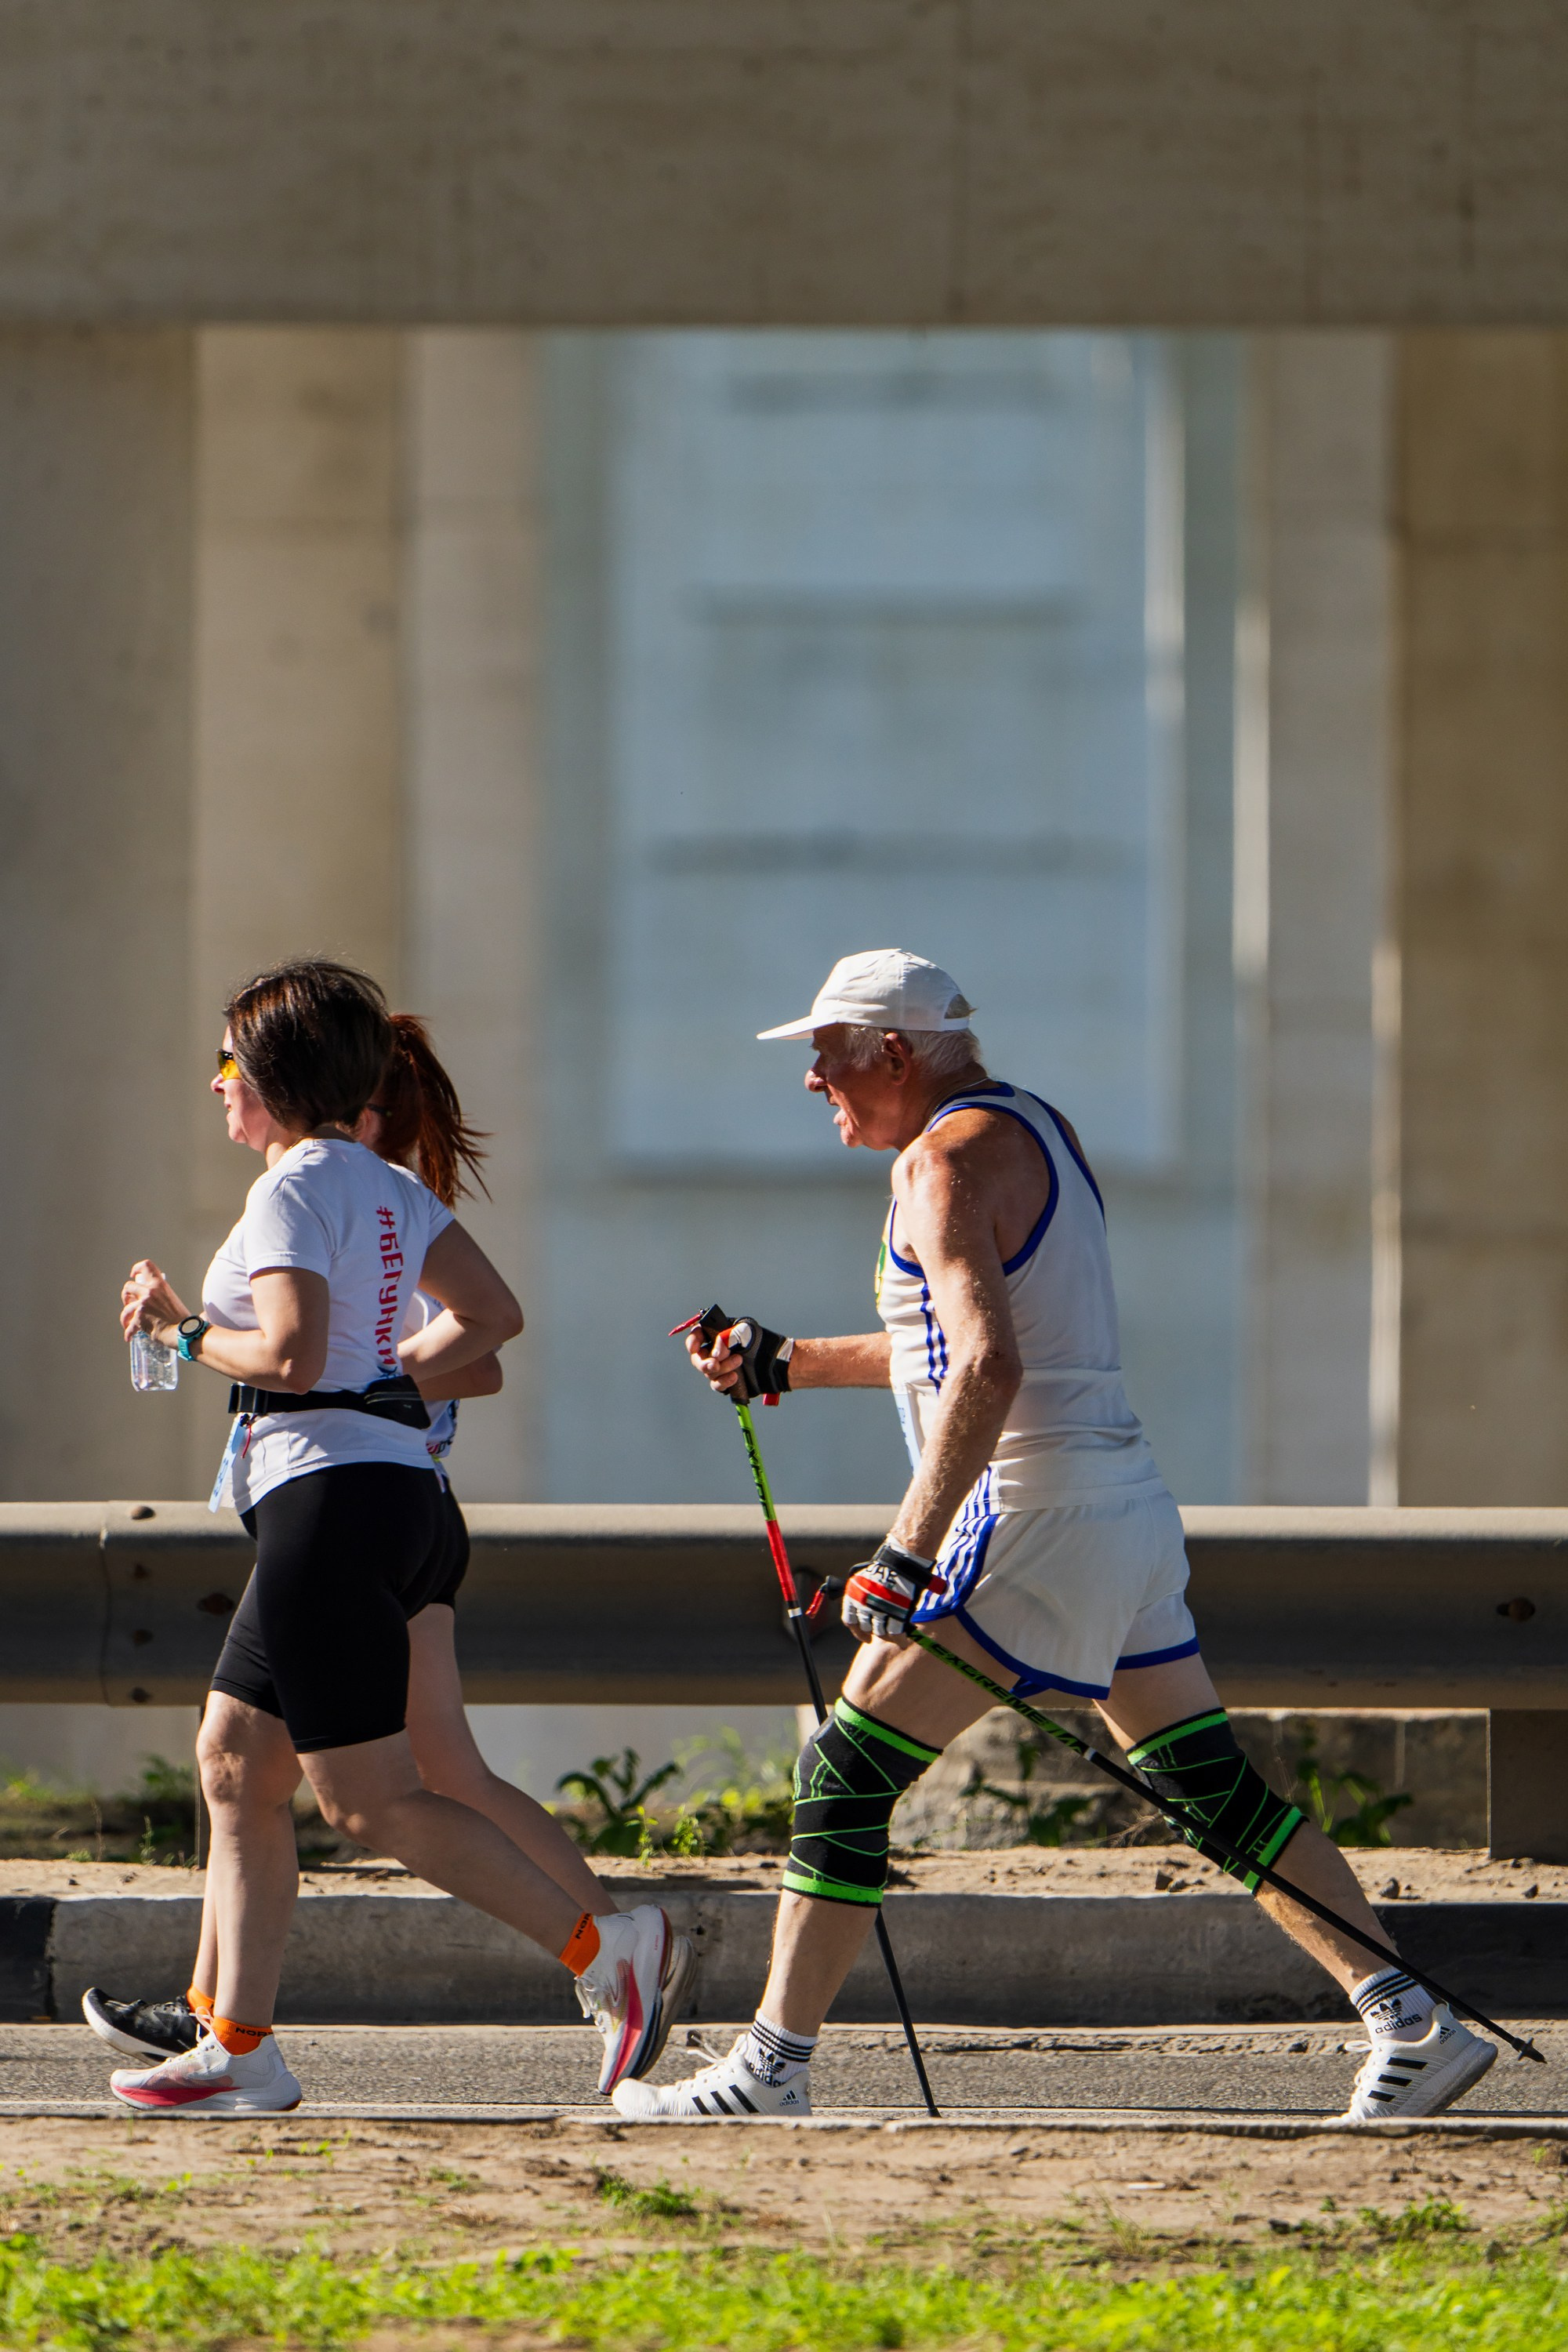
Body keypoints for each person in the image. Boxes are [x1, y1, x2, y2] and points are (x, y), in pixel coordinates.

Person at [614, 949, 1494, 2125]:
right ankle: (1413, 2020)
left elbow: (987, 1364)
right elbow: (957, 1340)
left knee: (847, 1767)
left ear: (891, 1052)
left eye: (825, 1058)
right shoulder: (1027, 1130)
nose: (812, 1082)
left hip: (1033, 1512)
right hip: (1120, 1508)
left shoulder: (940, 1161)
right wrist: (785, 1363)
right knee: (1208, 1789)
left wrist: (906, 1553)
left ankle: (771, 2071)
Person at [108, 960, 692, 2115]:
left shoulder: (287, 1192)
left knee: (371, 1801)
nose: (217, 1084)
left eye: (229, 1063)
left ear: (271, 1078)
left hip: (330, 1502)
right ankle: (239, 2044)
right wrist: (388, 1381)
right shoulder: (383, 1185)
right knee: (232, 1765)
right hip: (393, 1503)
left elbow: (286, 1355)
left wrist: (180, 1332)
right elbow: (494, 1319)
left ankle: (603, 1951)